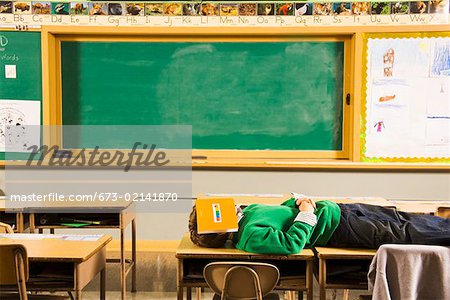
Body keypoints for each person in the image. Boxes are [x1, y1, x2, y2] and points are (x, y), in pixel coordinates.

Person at [188, 193, 450, 255]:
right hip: (338, 229)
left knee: (401, 217)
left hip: (339, 209)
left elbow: (282, 212)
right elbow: (291, 243)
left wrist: (297, 201)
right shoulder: (250, 238)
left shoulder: (250, 212)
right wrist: (306, 213)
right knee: (404, 233)